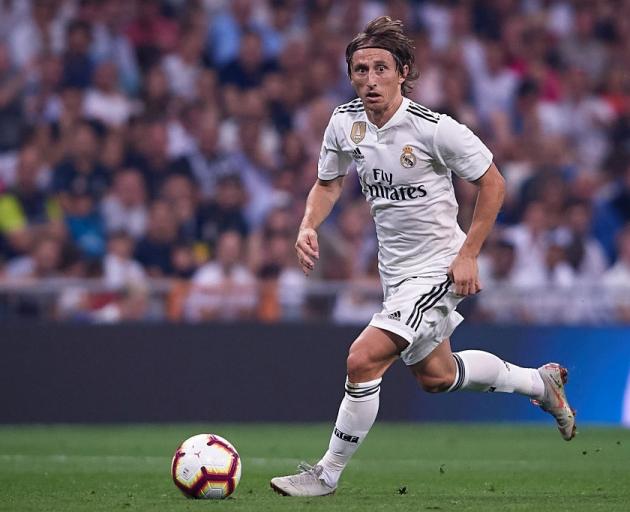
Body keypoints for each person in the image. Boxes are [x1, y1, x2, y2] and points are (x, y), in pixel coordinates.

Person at [270, 16, 576, 498]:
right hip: (396, 275)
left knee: (362, 359)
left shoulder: (435, 129)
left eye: (380, 69)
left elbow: (493, 183)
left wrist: (469, 254)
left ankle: (325, 474)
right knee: (437, 375)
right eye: (360, 70)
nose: (369, 79)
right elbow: (328, 183)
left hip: (439, 267)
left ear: (403, 71)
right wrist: (308, 224)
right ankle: (540, 385)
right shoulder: (344, 122)